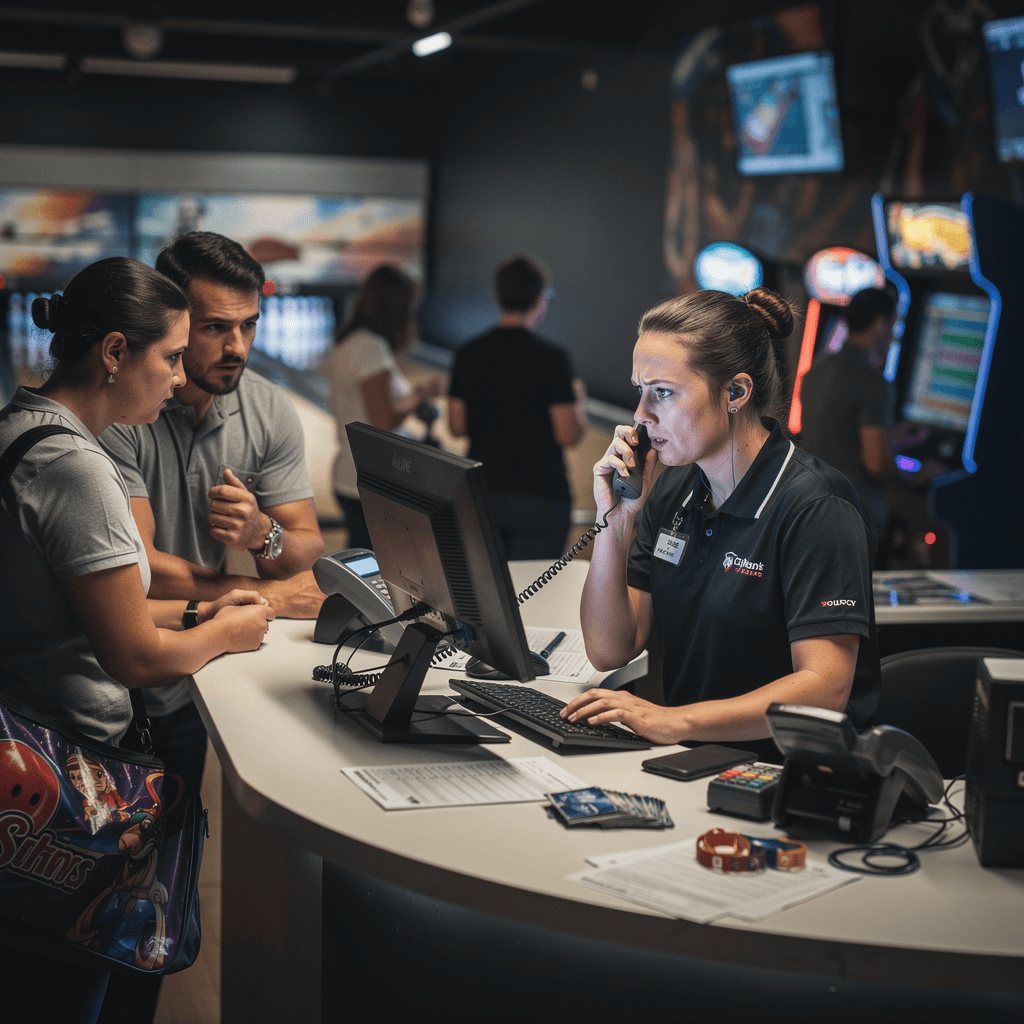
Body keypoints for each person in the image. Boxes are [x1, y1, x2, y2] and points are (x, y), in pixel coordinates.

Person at [0, 257, 274, 1022]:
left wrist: (194, 617)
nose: (181, 376)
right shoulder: (78, 469)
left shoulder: (18, 428)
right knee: (65, 990)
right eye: (172, 356)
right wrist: (228, 631)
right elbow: (135, 658)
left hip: (25, 737)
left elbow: (92, 611)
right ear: (115, 352)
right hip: (72, 774)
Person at [98, 232, 323, 1022]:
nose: (236, 346)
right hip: (120, 682)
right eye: (214, 326)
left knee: (154, 906)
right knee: (83, 899)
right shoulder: (123, 402)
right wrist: (247, 593)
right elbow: (137, 567)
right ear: (169, 318)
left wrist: (261, 532)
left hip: (202, 685)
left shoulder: (266, 408)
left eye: (250, 326)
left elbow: (303, 551)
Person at [562, 288, 880, 760]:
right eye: (640, 391)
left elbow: (825, 687)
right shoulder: (672, 491)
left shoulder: (816, 506)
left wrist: (676, 720)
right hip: (696, 759)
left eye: (663, 393)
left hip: (787, 773)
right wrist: (614, 522)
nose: (640, 417)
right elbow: (611, 649)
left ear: (735, 392)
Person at [447, 255, 587, 559]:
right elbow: (567, 434)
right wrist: (578, 401)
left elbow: (457, 426)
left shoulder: (468, 354)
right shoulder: (552, 357)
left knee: (488, 599)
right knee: (534, 597)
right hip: (540, 498)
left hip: (481, 493)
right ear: (539, 300)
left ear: (501, 297)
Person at [327, 263, 443, 550]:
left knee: (364, 563)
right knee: (374, 570)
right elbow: (382, 421)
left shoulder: (350, 342)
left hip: (352, 472)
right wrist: (420, 395)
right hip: (370, 479)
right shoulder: (370, 348)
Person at [797, 286, 897, 548]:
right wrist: (915, 476)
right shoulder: (873, 382)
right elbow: (875, 464)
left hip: (813, 508)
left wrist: (897, 440)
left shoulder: (815, 369)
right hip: (857, 517)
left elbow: (837, 434)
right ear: (880, 324)